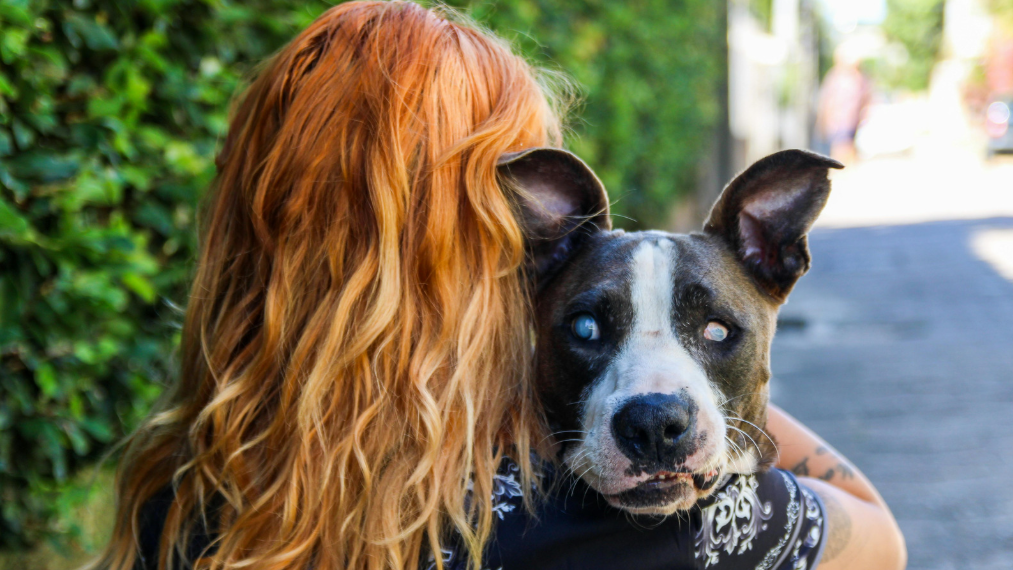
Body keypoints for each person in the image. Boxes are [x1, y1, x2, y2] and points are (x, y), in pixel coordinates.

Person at [91, 3, 905, 569]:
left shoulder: (178, 484)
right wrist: (705, 340)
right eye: (511, 205)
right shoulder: (589, 507)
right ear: (465, 251)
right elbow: (876, 541)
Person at [817, 46, 871, 164]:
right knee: (840, 155)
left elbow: (867, 100)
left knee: (850, 154)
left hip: (853, 123)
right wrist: (823, 122)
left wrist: (865, 117)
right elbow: (826, 101)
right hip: (838, 123)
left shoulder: (860, 78)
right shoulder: (835, 76)